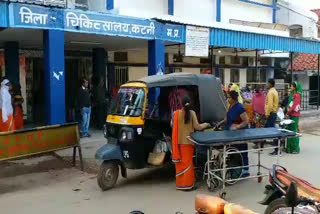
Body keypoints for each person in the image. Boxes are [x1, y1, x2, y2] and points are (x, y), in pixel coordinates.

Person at [171, 96, 210, 191]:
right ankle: (187, 185)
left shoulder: (176, 113)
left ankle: (180, 184)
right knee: (188, 164)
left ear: (181, 103)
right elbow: (197, 127)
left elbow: (172, 125)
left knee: (180, 164)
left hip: (179, 143)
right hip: (188, 143)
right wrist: (206, 124)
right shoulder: (192, 113)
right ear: (190, 103)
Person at [218, 90, 250, 176]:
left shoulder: (240, 107)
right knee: (233, 152)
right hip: (231, 134)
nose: (227, 99)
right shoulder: (231, 106)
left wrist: (237, 126)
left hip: (240, 134)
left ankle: (245, 170)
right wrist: (220, 123)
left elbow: (246, 121)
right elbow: (227, 119)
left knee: (242, 151)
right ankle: (235, 168)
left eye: (229, 97)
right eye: (227, 97)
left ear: (234, 98)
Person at [264, 79, 279, 156]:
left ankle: (277, 150)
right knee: (272, 131)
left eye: (267, 83)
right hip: (273, 113)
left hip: (271, 113)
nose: (266, 85)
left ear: (270, 84)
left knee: (269, 131)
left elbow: (269, 105)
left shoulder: (270, 92)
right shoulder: (275, 91)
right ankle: (276, 149)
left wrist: (267, 114)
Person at [286, 82, 301, 154]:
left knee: (294, 131)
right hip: (290, 115)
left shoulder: (297, 95)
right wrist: (287, 112)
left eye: (291, 86)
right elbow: (289, 104)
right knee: (289, 131)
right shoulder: (292, 94)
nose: (290, 87)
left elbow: (294, 106)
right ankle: (289, 148)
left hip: (295, 116)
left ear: (295, 87)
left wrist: (288, 112)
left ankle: (295, 148)